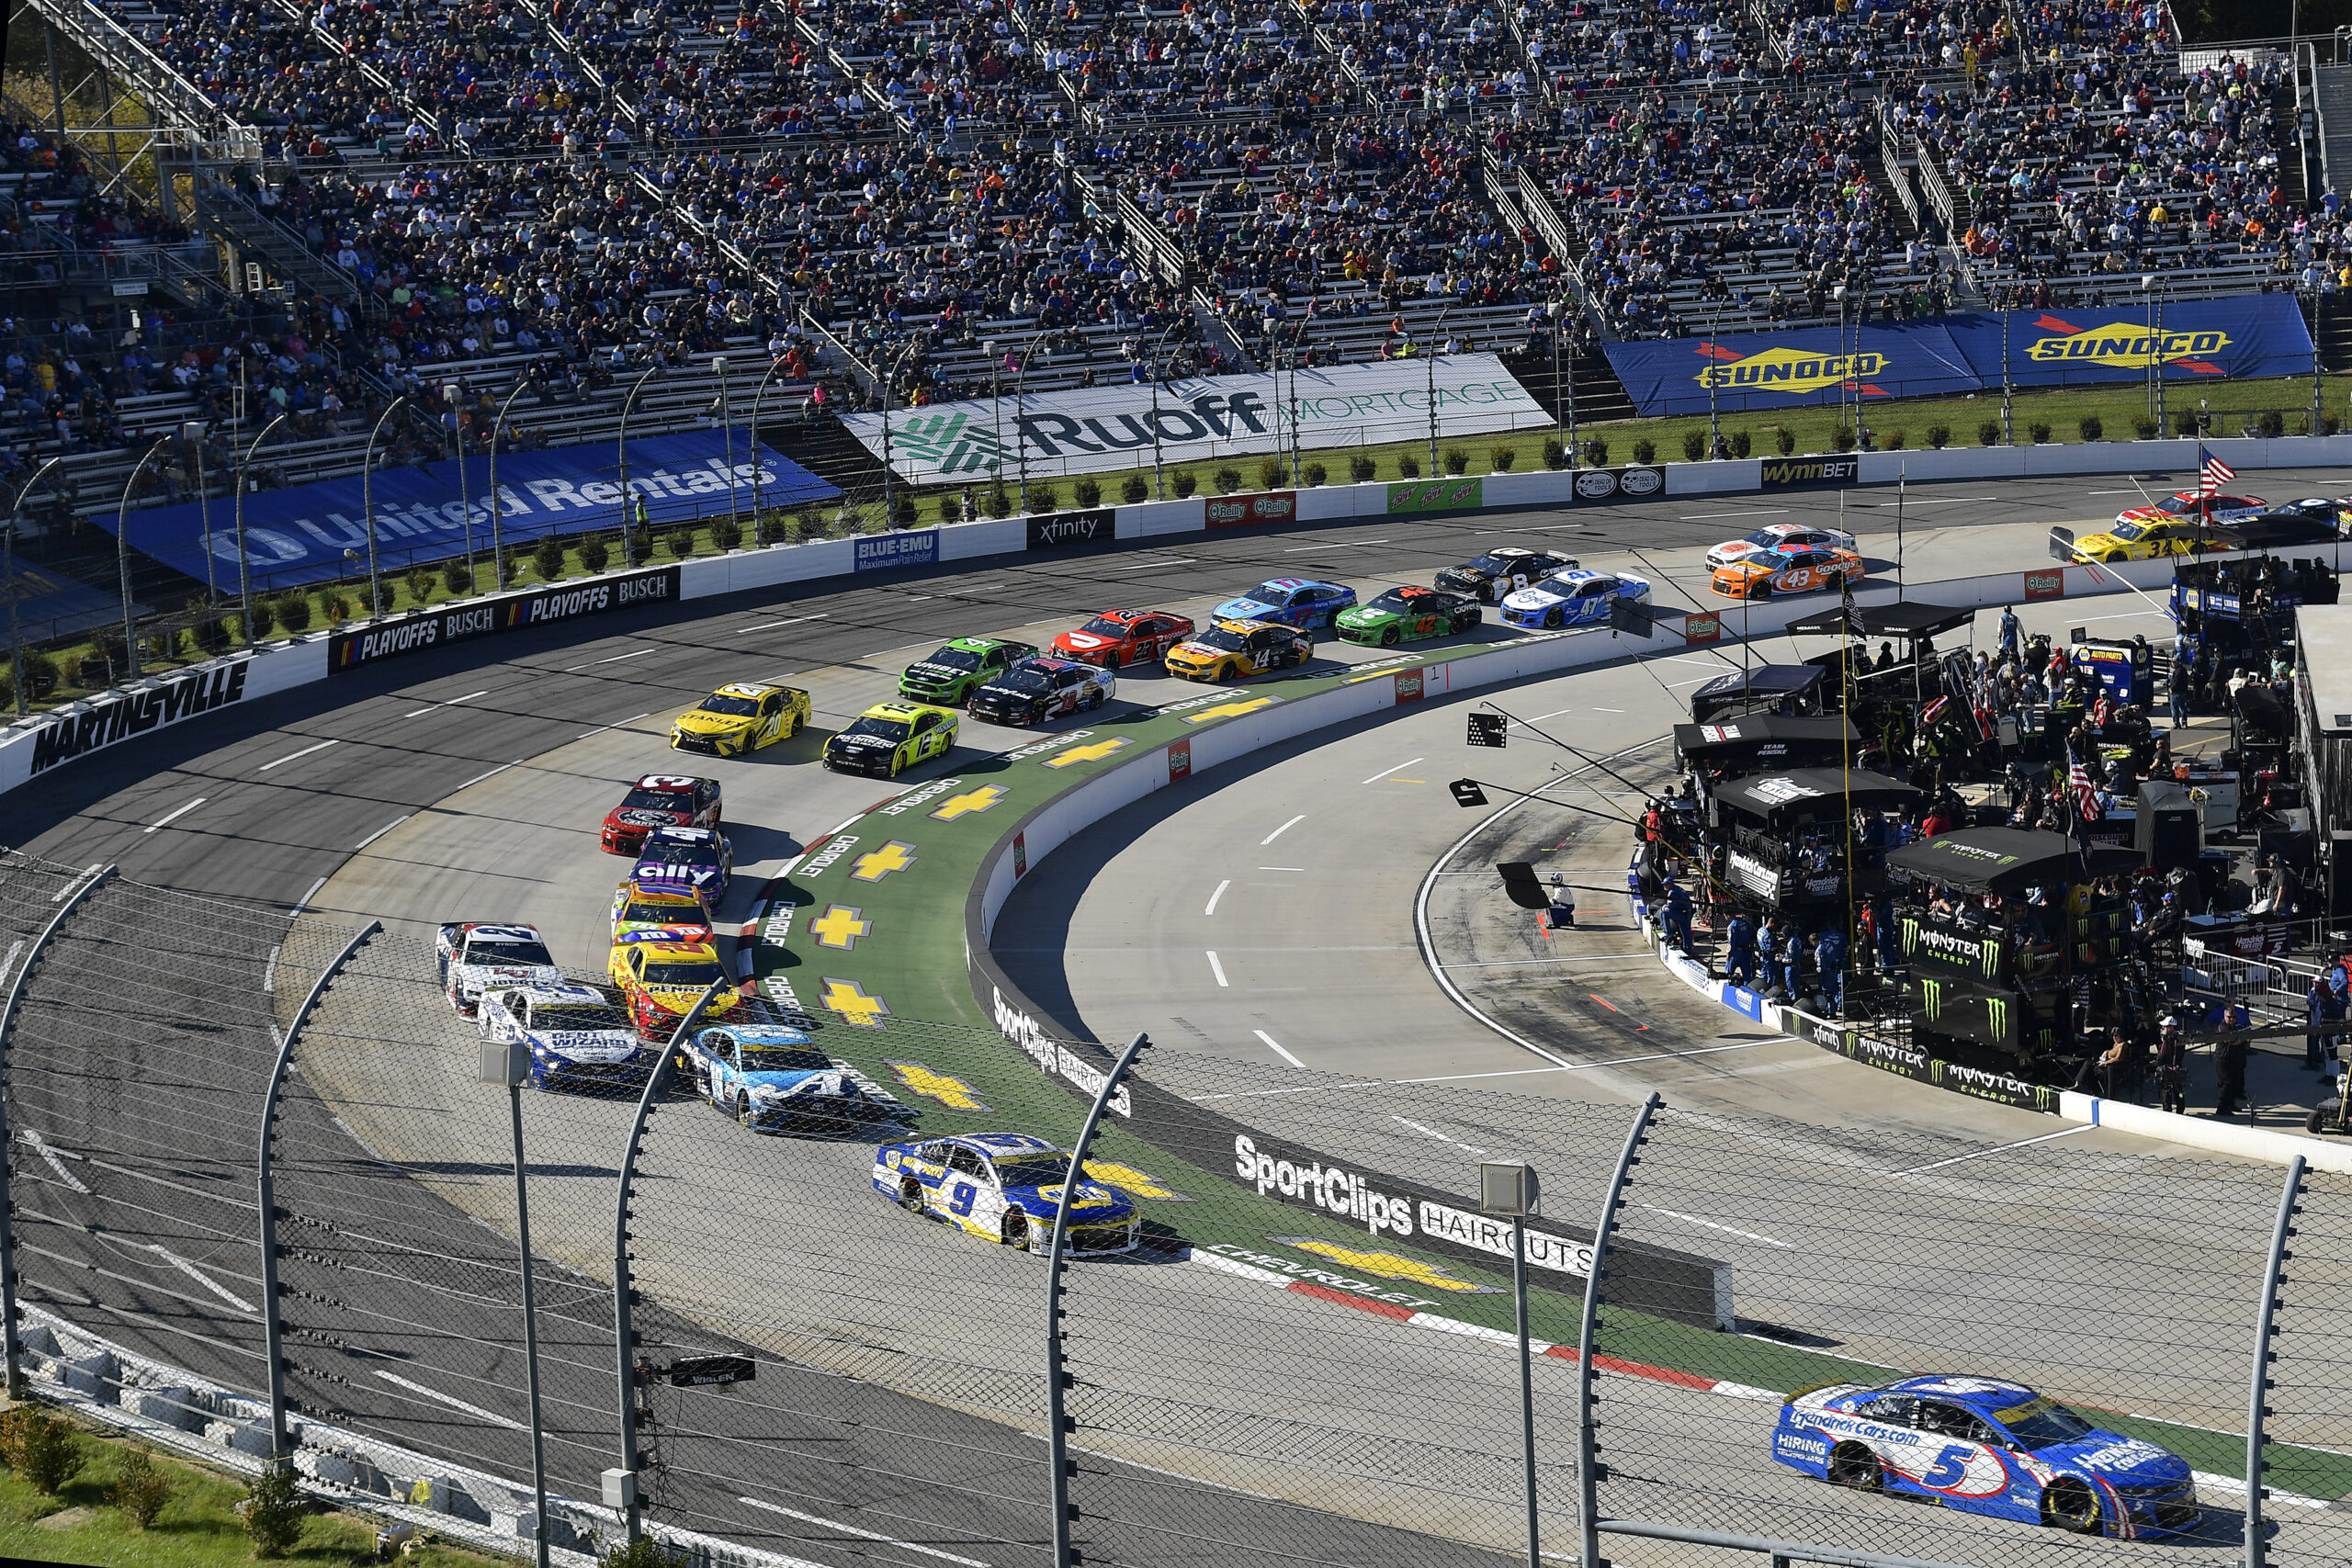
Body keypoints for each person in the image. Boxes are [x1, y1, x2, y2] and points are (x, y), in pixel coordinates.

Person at [2211, 996, 2252, 1119]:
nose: (2232, 1020)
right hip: (2222, 1060)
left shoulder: (2235, 1027)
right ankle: (2222, 1108)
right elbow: (2234, 1041)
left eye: (2233, 1018)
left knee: (2234, 1083)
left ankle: (2231, 1104)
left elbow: (2244, 1034)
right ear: (2225, 1017)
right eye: (2229, 1017)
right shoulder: (2222, 1027)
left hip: (2232, 1060)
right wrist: (2243, 1038)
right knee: (2226, 1084)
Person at [2309, 970, 2345, 1071]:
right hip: (2325, 1031)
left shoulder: (2332, 1004)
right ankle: (2329, 1073)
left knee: (2332, 1055)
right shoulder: (2325, 1003)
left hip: (2331, 1033)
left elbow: (2338, 1018)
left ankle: (2334, 1075)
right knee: (2328, 1055)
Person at [2154, 1015, 2188, 1113]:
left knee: (2166, 1094)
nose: (2163, 1029)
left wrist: (2156, 1065)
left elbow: (2161, 1056)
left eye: (2164, 1027)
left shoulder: (2166, 1040)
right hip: (2177, 1070)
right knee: (2179, 1093)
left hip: (2167, 1072)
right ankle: (2180, 1111)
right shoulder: (2180, 1039)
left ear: (2170, 1028)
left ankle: (2168, 1113)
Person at [1815, 924, 1849, 1014]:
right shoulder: (1842, 936)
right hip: (1838, 964)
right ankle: (1839, 1005)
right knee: (1838, 986)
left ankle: (1832, 1010)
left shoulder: (1823, 937)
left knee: (1829, 990)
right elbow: (1846, 949)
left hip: (1828, 968)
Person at [1724, 910, 1757, 987]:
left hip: (1736, 953)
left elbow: (1731, 942)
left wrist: (1728, 953)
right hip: (1746, 951)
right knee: (1747, 976)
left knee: (1728, 973)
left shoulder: (1732, 926)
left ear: (1728, 915)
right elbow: (1751, 935)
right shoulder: (1744, 922)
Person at [1663, 878, 1694, 958]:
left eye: (1666, 885)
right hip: (1687, 912)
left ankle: (1668, 934)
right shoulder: (1679, 889)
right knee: (1686, 933)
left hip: (1682, 914)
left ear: (1670, 884)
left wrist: (1665, 907)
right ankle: (1688, 951)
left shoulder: (1672, 892)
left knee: (1663, 913)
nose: (1664, 886)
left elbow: (1670, 907)